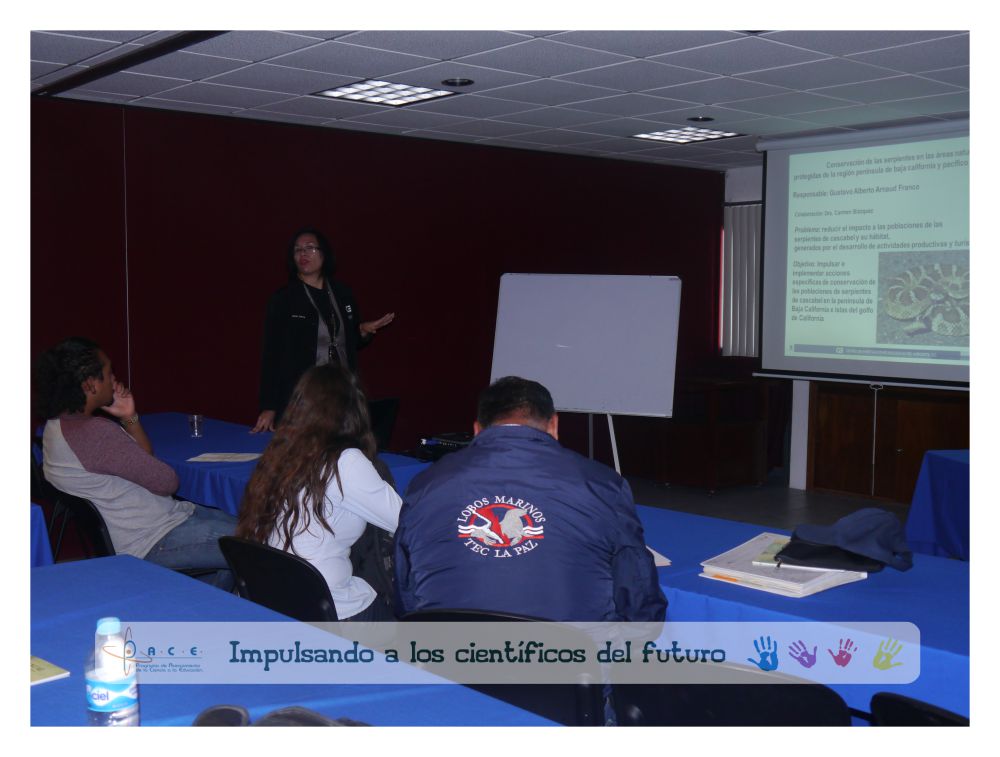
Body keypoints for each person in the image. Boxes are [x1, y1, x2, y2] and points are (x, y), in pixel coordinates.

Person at [394, 376, 667, 622]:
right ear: (554, 425)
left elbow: (406, 592)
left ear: (477, 429)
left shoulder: (425, 484)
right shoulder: (602, 484)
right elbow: (638, 596)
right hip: (567, 657)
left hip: (449, 655)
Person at [34, 337, 235, 588]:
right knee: (253, 545)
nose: (114, 379)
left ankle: (206, 597)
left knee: (250, 532)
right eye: (109, 373)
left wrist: (129, 417)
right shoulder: (94, 433)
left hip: (149, 526)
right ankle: (212, 601)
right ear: (90, 384)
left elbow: (143, 461)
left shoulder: (54, 428)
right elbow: (167, 481)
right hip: (151, 539)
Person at [238, 363, 402, 622]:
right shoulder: (345, 461)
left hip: (272, 596)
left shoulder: (280, 452)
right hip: (325, 606)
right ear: (354, 411)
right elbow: (406, 521)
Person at [252, 227, 394, 433]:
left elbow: (347, 341)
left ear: (324, 254)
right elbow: (271, 355)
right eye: (297, 250)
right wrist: (269, 405)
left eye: (310, 248)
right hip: (303, 396)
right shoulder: (284, 299)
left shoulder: (342, 294)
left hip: (342, 392)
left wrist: (363, 331)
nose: (303, 253)